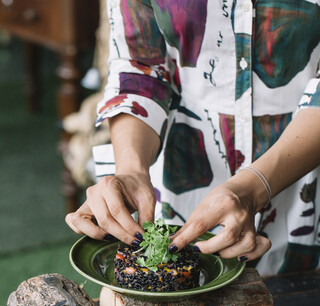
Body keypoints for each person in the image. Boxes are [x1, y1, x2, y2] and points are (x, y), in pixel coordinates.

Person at [66, 0, 320, 276]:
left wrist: (254, 186)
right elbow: (138, 67)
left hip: (306, 172)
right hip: (181, 175)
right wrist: (131, 170)